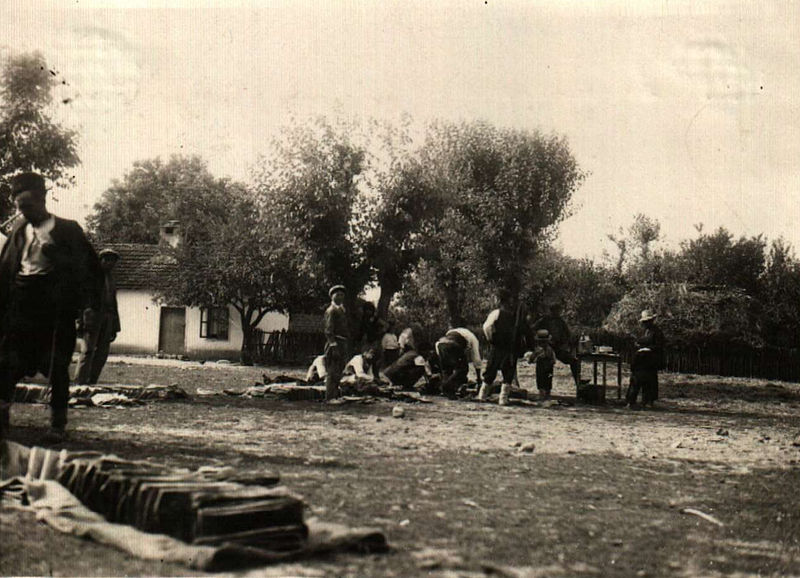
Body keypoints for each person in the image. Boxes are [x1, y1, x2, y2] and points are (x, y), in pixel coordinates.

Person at [0, 173, 103, 442]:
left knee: (57, 365)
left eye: (28, 206)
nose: (23, 212)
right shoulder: (19, 232)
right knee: (5, 364)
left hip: (54, 309)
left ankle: (57, 424)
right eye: (19, 207)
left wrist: (54, 253)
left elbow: (90, 270)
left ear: (42, 199)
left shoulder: (67, 230)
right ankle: (1, 422)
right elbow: (4, 272)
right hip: (20, 306)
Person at [74, 248, 120, 385]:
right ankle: (80, 382)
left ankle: (92, 381)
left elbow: (114, 303)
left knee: (102, 353)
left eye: (113, 261)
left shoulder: (111, 280)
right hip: (92, 318)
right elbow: (81, 302)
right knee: (87, 351)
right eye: (107, 259)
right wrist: (79, 322)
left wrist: (115, 327)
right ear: (100, 260)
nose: (110, 263)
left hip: (108, 318)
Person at [478, 292, 533, 405]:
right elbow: (528, 333)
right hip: (507, 348)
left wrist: (491, 338)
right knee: (502, 372)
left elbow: (487, 327)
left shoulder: (498, 313)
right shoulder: (513, 318)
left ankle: (485, 396)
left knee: (497, 371)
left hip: (502, 347)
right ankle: (500, 398)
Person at [532, 303, 581, 388]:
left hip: (558, 348)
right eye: (556, 311)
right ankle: (544, 389)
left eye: (559, 311)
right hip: (546, 347)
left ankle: (579, 383)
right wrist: (541, 340)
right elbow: (533, 330)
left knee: (574, 361)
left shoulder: (560, 321)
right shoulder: (544, 320)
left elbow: (568, 335)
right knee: (546, 365)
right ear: (551, 311)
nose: (558, 313)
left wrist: (569, 343)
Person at [626, 309, 665, 409]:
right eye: (644, 322)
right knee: (636, 379)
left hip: (651, 360)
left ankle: (648, 402)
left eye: (647, 321)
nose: (645, 323)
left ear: (651, 321)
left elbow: (660, 346)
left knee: (649, 381)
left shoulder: (657, 332)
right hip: (642, 359)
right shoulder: (646, 332)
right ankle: (631, 401)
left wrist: (648, 349)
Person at [434, 327, 483, 399]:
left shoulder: (454, 331)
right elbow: (477, 359)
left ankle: (448, 390)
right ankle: (446, 387)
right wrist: (479, 380)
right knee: (463, 369)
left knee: (447, 369)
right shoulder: (473, 339)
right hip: (453, 344)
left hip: (440, 344)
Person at [323, 285, 350, 401]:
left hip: (343, 342)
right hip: (335, 342)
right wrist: (334, 346)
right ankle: (329, 397)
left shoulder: (342, 310)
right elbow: (329, 330)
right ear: (332, 296)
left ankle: (334, 395)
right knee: (332, 370)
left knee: (339, 370)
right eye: (337, 294)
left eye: (342, 295)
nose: (340, 297)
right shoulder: (331, 310)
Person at [531, 329, 556, 399]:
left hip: (545, 367)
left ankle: (545, 394)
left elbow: (533, 357)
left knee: (545, 380)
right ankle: (544, 394)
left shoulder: (547, 349)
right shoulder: (543, 349)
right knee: (543, 380)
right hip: (544, 367)